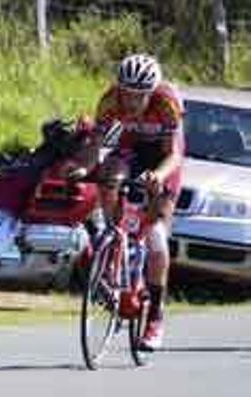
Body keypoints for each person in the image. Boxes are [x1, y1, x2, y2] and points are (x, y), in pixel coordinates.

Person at [87, 53, 184, 351]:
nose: (131, 102)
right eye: (127, 94)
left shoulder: (166, 103)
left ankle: (155, 315)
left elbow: (174, 154)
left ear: (151, 92)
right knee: (109, 174)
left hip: (163, 160)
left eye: (139, 96)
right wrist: (84, 167)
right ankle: (112, 233)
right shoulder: (109, 101)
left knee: (156, 237)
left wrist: (157, 176)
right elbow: (96, 146)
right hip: (131, 152)